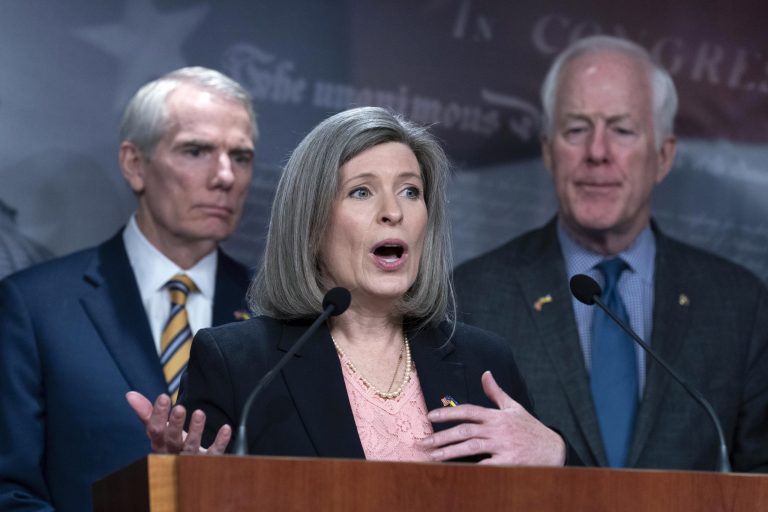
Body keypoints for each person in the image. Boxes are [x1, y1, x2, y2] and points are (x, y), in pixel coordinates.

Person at [126, 106, 570, 467]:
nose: (393, 212)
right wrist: (188, 484)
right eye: (362, 192)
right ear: (312, 222)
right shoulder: (240, 365)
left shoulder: (483, 361)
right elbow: (196, 484)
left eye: (410, 191)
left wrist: (556, 456)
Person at [453, 36, 768, 471]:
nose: (597, 153)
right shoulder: (474, 296)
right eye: (576, 129)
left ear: (663, 156)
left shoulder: (739, 304)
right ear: (547, 151)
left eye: (622, 130)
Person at [0, 67, 257, 511]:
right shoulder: (34, 307)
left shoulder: (278, 313)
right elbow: (9, 491)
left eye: (241, 157)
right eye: (196, 151)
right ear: (134, 164)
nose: (225, 176)